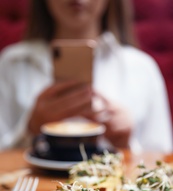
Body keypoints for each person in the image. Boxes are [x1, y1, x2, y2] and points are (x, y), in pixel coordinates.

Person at [0, 0, 172, 154]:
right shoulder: (12, 63)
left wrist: (126, 144)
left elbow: (164, 162)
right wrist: (30, 130)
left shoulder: (142, 68)